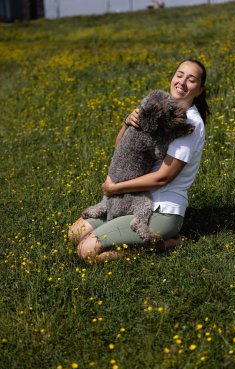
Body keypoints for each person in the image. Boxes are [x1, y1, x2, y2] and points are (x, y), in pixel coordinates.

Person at [68, 59, 209, 262]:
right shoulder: (158, 106)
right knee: (74, 234)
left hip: (162, 209)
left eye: (191, 80)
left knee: (86, 252)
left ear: (200, 90)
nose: (182, 82)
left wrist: (115, 188)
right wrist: (128, 123)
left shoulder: (189, 124)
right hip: (130, 200)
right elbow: (121, 148)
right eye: (180, 75)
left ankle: (168, 242)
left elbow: (163, 178)